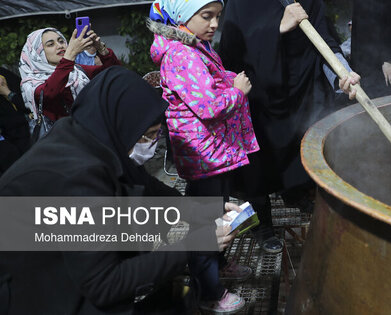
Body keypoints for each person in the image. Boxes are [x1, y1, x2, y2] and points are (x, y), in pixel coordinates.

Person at [0, 66, 239, 314]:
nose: (150, 146)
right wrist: (196, 243)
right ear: (119, 124)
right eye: (146, 136)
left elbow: (152, 190)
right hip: (30, 286)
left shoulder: (94, 136)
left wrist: (208, 209)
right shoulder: (78, 178)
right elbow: (104, 283)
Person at [219, 0, 360, 248]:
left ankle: (294, 192)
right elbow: (232, 47)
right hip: (255, 96)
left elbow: (326, 43)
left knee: (294, 151)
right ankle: (261, 223)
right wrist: (279, 26)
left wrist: (343, 73)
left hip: (295, 95)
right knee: (255, 164)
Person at [149, 0, 258, 313]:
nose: (214, 24)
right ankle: (209, 291)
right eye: (206, 16)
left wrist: (228, 81)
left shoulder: (195, 46)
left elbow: (207, 84)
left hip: (214, 154)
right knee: (204, 223)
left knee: (218, 215)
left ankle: (218, 263)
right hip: (204, 155)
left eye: (216, 16)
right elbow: (209, 107)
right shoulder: (182, 55)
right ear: (182, 17)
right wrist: (237, 91)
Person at [19, 26, 120, 121]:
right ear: (35, 53)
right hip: (61, 138)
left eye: (61, 41)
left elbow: (115, 74)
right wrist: (70, 55)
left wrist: (101, 49)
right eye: (50, 44)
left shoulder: (77, 71)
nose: (60, 46)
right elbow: (50, 93)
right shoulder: (30, 83)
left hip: (92, 134)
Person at [0, 68, 30, 174]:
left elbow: (29, 104)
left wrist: (7, 93)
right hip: (10, 144)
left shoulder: (5, 75)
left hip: (29, 136)